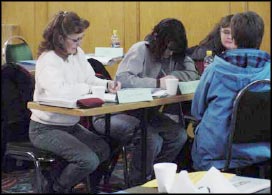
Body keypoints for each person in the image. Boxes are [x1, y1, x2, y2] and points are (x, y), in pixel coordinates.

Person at [29, 11, 121, 193]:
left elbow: (89, 78)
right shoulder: (48, 60)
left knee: (103, 149)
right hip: (44, 128)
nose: (79, 44)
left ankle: (84, 186)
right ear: (60, 38)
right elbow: (60, 92)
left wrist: (107, 84)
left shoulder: (77, 54)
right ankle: (56, 188)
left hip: (69, 124)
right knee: (88, 160)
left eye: (80, 39)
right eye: (75, 40)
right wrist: (87, 88)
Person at [114, 18, 199, 186]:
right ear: (158, 41)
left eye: (173, 49)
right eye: (167, 48)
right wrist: (157, 83)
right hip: (122, 112)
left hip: (148, 112)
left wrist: (175, 76)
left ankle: (154, 177)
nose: (169, 53)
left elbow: (193, 74)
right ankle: (137, 183)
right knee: (151, 139)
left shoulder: (176, 54)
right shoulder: (140, 49)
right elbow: (123, 79)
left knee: (179, 135)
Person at [191, 11, 270, 171]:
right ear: (260, 38)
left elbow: (197, 111)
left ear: (233, 37)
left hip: (218, 155)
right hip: (262, 151)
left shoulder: (214, 69)